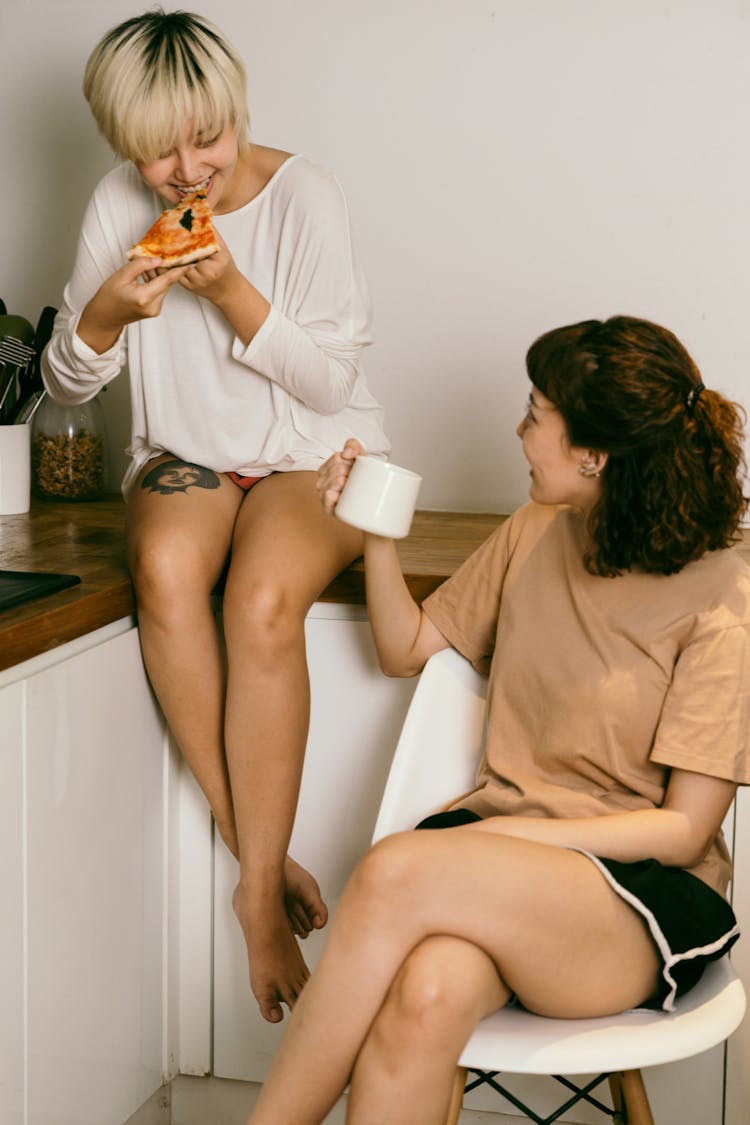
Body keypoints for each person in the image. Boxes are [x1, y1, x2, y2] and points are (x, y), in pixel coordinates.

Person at [245, 315, 750, 1124]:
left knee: (392, 867)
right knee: (426, 994)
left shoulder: (725, 597)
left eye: (534, 413)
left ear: (594, 452)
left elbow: (682, 832)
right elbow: (406, 649)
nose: (518, 432)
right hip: (500, 867)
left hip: (634, 898)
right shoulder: (538, 529)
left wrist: (500, 839)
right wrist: (376, 532)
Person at [41, 8, 390, 1024]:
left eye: (209, 137)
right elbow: (68, 378)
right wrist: (105, 315)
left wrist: (232, 290)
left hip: (312, 453)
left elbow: (329, 383)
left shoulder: (303, 196)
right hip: (185, 455)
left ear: (237, 116)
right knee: (161, 576)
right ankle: (259, 858)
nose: (189, 170)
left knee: (267, 599)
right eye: (159, 153)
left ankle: (251, 893)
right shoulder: (115, 201)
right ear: (123, 148)